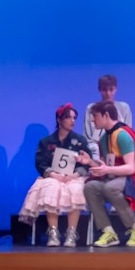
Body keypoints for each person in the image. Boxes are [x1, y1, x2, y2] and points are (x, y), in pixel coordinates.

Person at [79, 100, 135, 248]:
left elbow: (131, 168)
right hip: (113, 177)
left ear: (106, 115)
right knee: (90, 187)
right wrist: (90, 163)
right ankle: (109, 231)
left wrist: (107, 170)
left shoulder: (123, 135)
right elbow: (106, 165)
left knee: (110, 188)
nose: (93, 119)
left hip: (131, 180)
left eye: (95, 116)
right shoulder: (104, 138)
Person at [18, 103, 91, 247]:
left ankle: (71, 233)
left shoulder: (80, 141)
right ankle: (53, 232)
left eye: (74, 118)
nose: (72, 121)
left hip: (73, 177)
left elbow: (86, 163)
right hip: (53, 177)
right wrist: (53, 174)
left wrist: (76, 174)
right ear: (59, 119)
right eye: (68, 117)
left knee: (76, 190)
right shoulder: (46, 141)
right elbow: (40, 162)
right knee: (50, 188)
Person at [83, 74, 133, 156]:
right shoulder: (91, 108)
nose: (108, 93)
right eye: (104, 90)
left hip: (120, 150)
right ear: (99, 90)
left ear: (116, 89)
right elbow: (87, 138)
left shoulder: (124, 108)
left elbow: (128, 133)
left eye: (111, 89)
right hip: (95, 151)